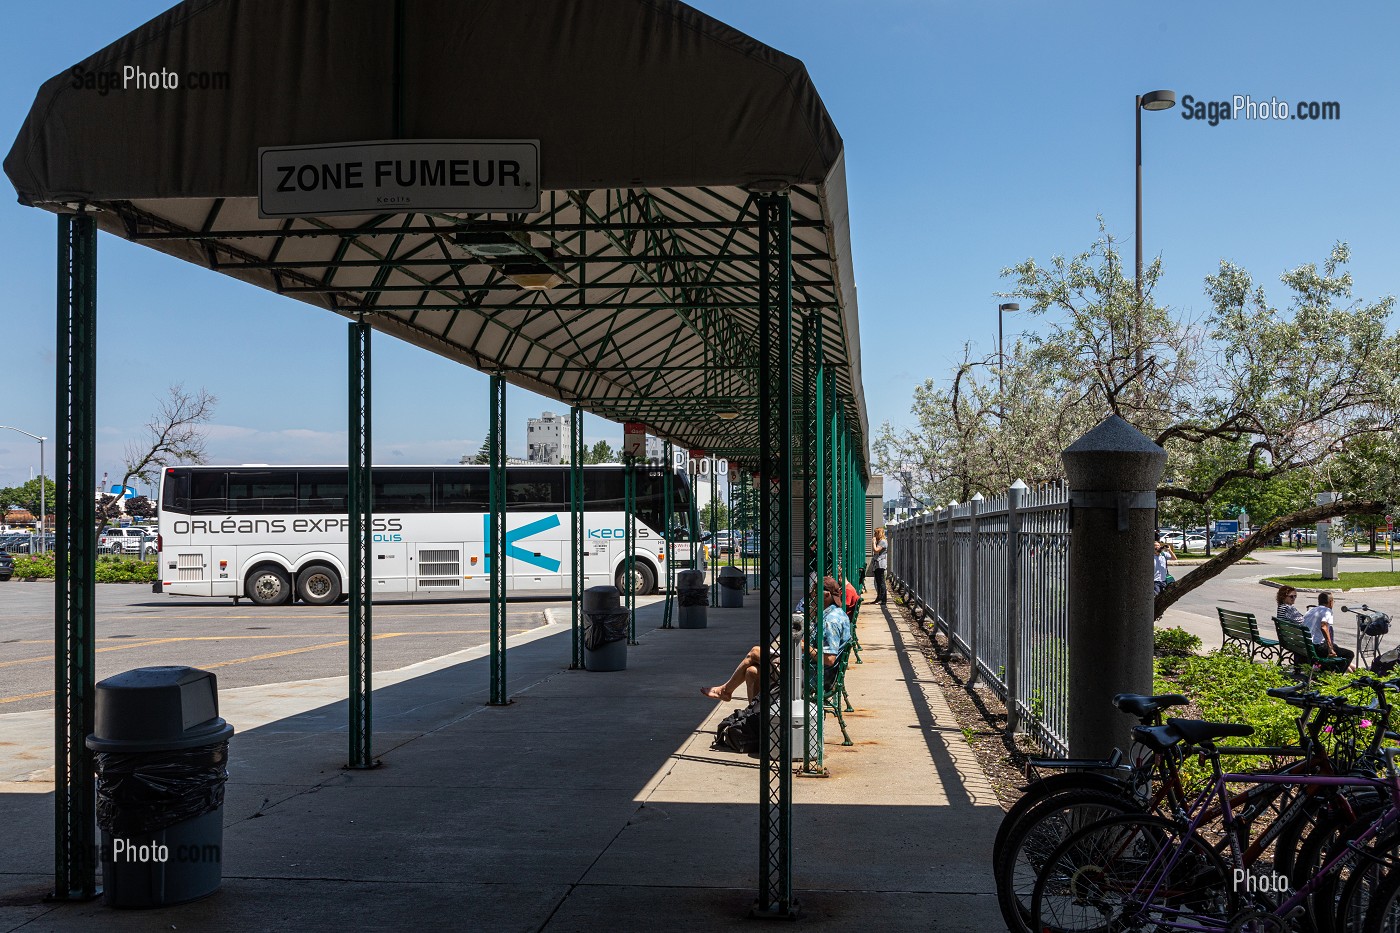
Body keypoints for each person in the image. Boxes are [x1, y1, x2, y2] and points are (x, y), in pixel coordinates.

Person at [701, 577, 851, 702]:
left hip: (812, 676)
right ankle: (755, 717)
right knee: (751, 672)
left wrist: (802, 645)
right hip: (806, 667)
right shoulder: (831, 614)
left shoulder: (831, 621)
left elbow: (829, 659)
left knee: (755, 652)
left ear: (826, 595)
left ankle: (725, 690)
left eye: (814, 593)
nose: (811, 596)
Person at [1302, 591, 1354, 669]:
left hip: (1305, 645)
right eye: (1333, 601)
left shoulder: (1311, 610)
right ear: (1330, 602)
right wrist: (1330, 647)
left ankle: (1326, 670)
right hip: (1315, 647)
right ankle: (1336, 675)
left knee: (1335, 647)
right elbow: (1324, 626)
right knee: (1349, 654)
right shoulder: (1327, 611)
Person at [871, 527, 888, 605]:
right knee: (878, 581)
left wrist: (874, 542)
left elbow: (876, 550)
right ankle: (879, 598)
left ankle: (883, 599)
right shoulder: (880, 541)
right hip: (877, 563)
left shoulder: (883, 542)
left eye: (875, 533)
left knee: (881, 581)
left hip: (880, 563)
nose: (874, 535)